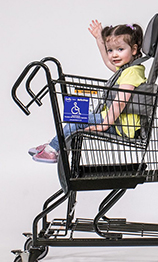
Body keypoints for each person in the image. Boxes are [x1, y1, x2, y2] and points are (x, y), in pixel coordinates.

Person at [29, 20, 146, 163]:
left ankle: (52, 150)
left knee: (76, 119)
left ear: (134, 50)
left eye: (120, 50)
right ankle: (55, 143)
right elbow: (108, 62)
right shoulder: (127, 69)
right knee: (75, 114)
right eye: (111, 50)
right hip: (114, 120)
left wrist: (105, 125)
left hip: (119, 125)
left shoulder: (132, 72)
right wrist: (99, 39)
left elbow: (120, 102)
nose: (114, 55)